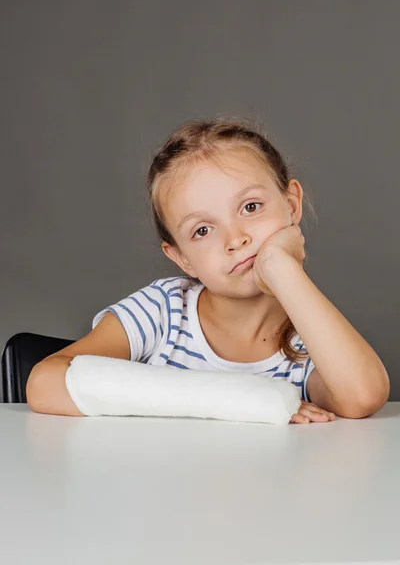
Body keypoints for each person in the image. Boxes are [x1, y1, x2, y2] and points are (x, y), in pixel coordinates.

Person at [26, 116, 390, 422]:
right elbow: (44, 382)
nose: (236, 239)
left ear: (292, 204)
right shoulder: (163, 312)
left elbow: (362, 396)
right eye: (202, 230)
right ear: (182, 258)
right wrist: (246, 400)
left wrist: (281, 267)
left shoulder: (309, 342)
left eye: (250, 207)